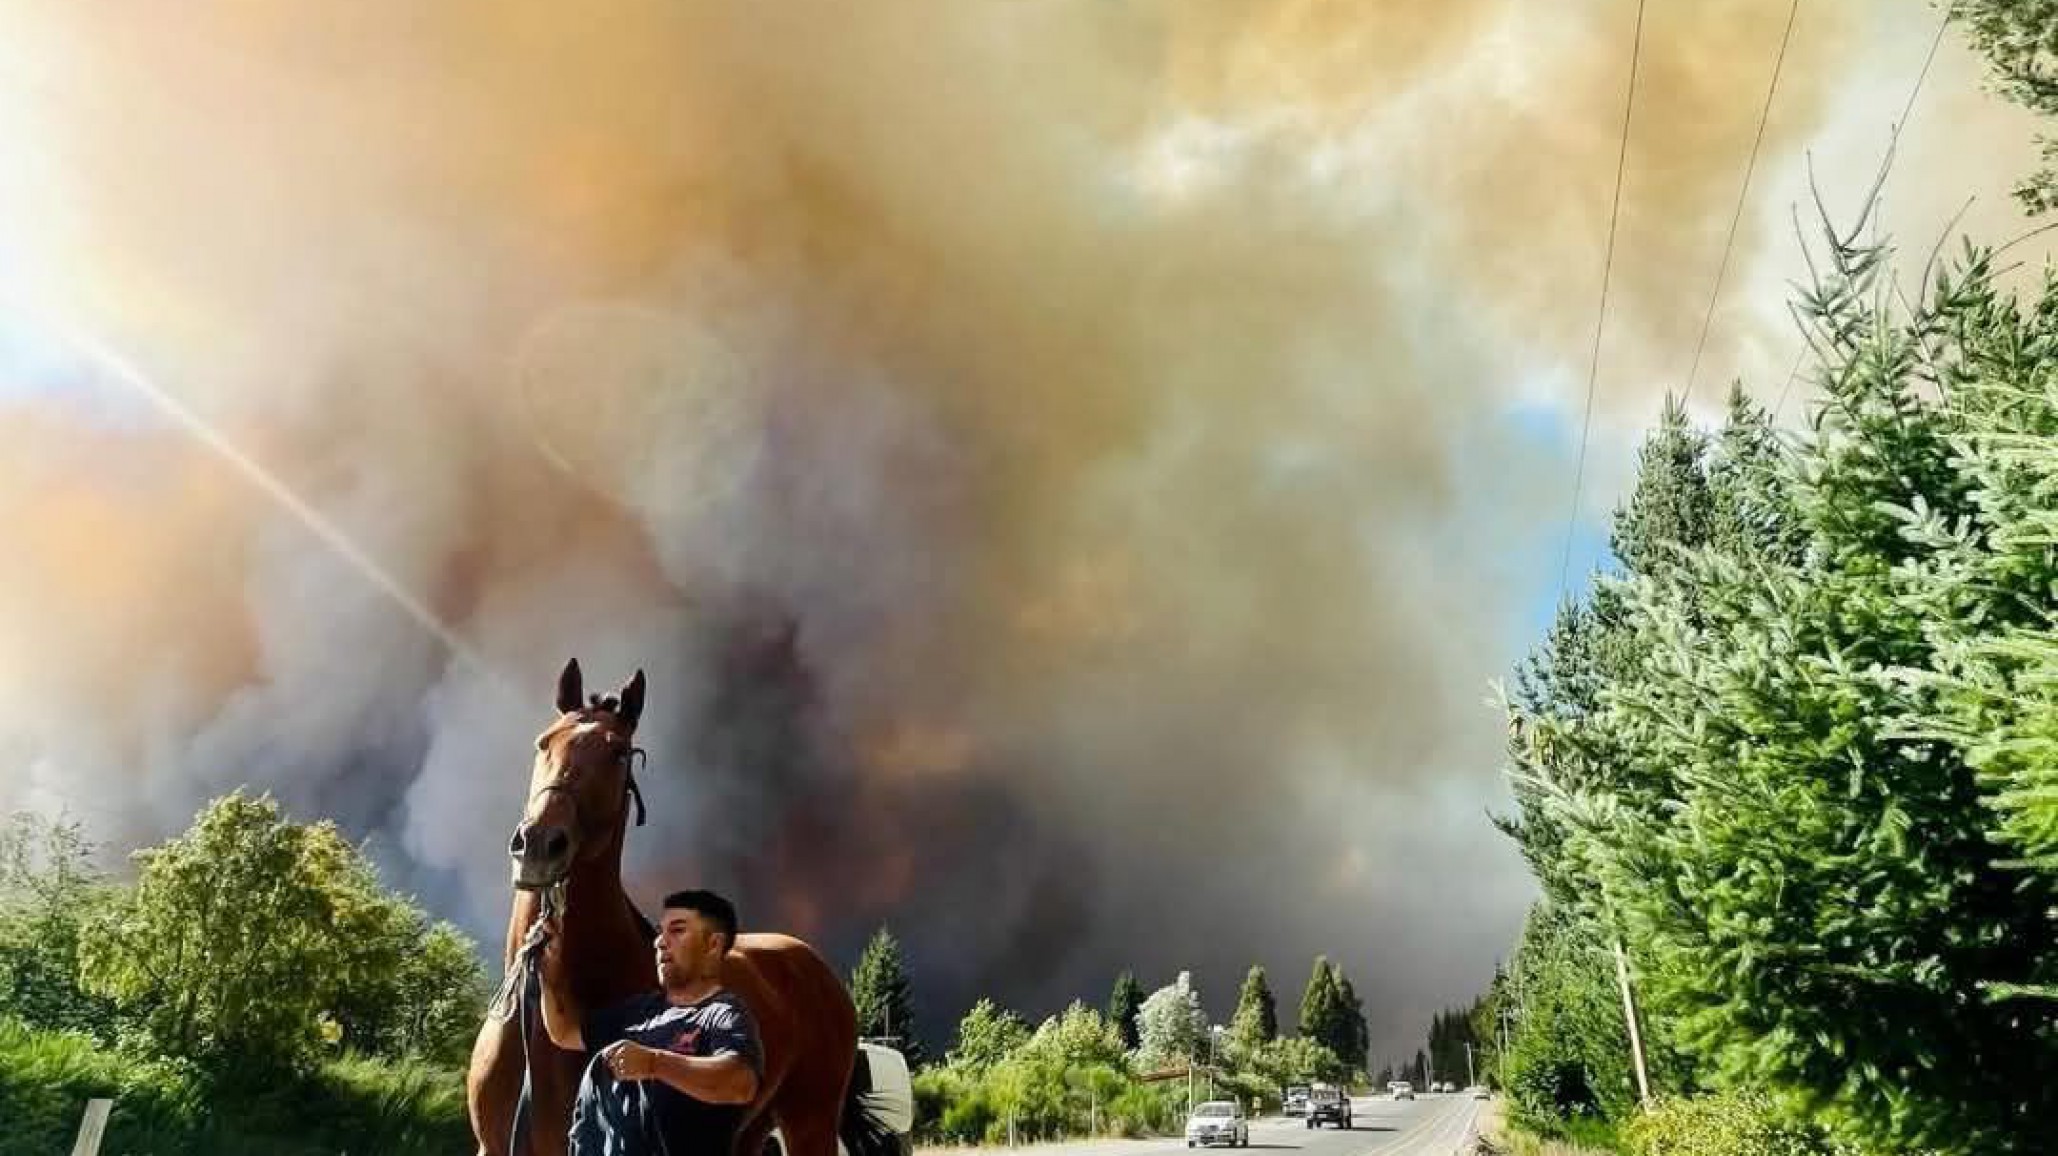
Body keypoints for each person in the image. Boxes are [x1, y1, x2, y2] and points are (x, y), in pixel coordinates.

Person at [538, 888, 765, 1156]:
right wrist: (548, 975)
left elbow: (740, 1083)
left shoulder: (723, 1013)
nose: (660, 941)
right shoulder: (639, 1011)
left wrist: (654, 1063)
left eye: (677, 930)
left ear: (713, 945)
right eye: (661, 931)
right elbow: (565, 1032)